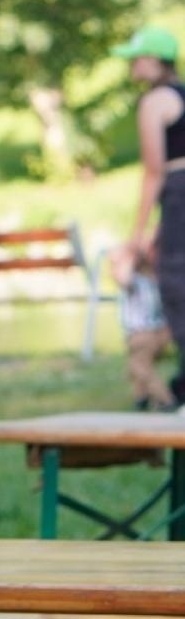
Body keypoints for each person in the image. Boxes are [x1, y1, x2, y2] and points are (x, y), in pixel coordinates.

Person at [118, 25, 185, 404]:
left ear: (156, 61)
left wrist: (139, 235)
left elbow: (154, 171)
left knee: (177, 288)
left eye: (137, 59)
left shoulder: (155, 101)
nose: (132, 68)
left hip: (178, 195)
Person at [109, 245, 173, 411]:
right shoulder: (155, 279)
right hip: (160, 332)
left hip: (142, 334)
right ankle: (141, 399)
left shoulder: (136, 282)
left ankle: (165, 400)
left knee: (139, 367)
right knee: (140, 365)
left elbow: (122, 278)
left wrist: (127, 256)